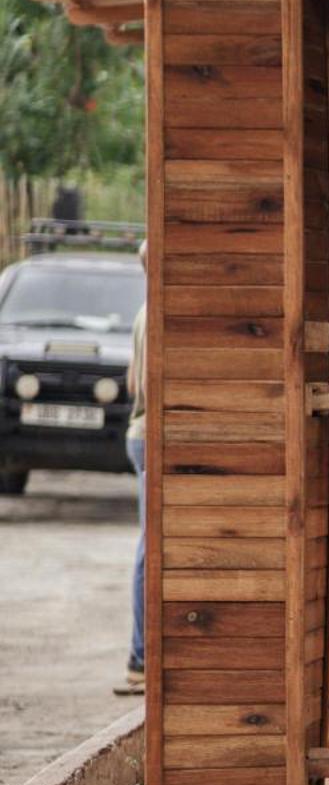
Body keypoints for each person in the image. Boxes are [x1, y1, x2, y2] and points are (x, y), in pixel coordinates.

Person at [115, 242, 147, 695]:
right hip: (151, 434)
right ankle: (139, 658)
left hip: (138, 432)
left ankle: (141, 657)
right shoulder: (155, 313)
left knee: (149, 543)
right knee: (151, 546)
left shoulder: (143, 311)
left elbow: (132, 381)